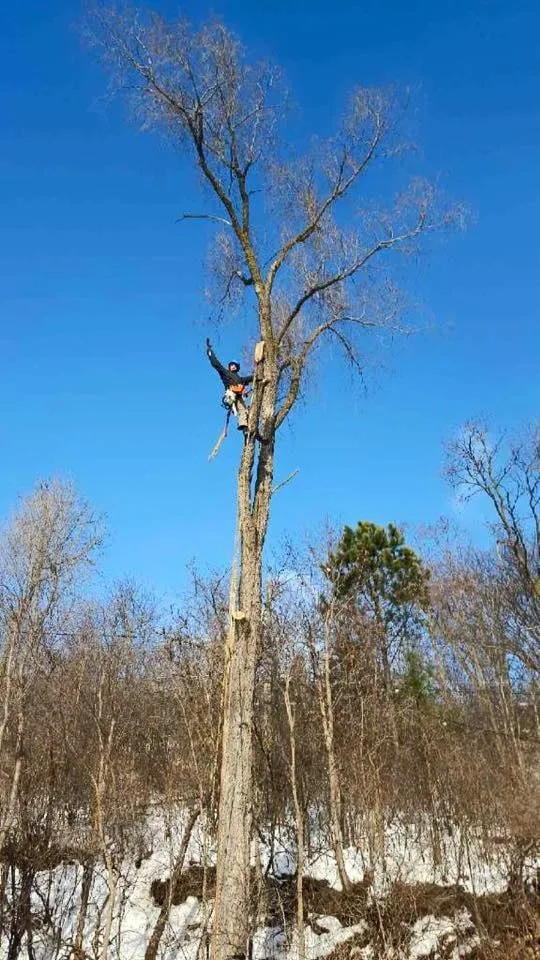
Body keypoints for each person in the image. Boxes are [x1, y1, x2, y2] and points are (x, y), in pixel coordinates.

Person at [206, 338, 253, 433]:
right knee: (238, 406)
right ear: (229, 366)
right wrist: (210, 352)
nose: (233, 366)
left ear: (237, 368)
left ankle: (244, 426)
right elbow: (216, 364)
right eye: (232, 365)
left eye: (235, 365)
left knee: (243, 410)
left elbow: (248, 378)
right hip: (230, 395)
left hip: (239, 396)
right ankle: (243, 424)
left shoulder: (240, 379)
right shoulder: (225, 373)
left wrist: (257, 376)